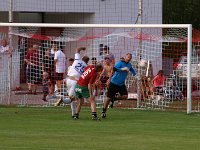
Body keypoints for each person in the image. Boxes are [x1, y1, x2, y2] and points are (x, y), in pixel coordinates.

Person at [54, 47, 89, 118]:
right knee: (72, 98)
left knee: (72, 98)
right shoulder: (87, 67)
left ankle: (73, 114)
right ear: (87, 62)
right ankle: (63, 99)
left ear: (82, 58)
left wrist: (82, 48)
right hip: (75, 81)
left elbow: (77, 49)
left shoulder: (77, 60)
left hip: (68, 79)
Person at [101, 53, 137, 118]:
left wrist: (136, 75)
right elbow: (114, 69)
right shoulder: (120, 63)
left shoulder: (129, 65)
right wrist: (122, 69)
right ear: (125, 57)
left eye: (130, 58)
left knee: (125, 96)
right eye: (128, 57)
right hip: (114, 82)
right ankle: (103, 112)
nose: (129, 59)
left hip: (121, 84)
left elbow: (132, 70)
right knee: (108, 98)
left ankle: (114, 99)